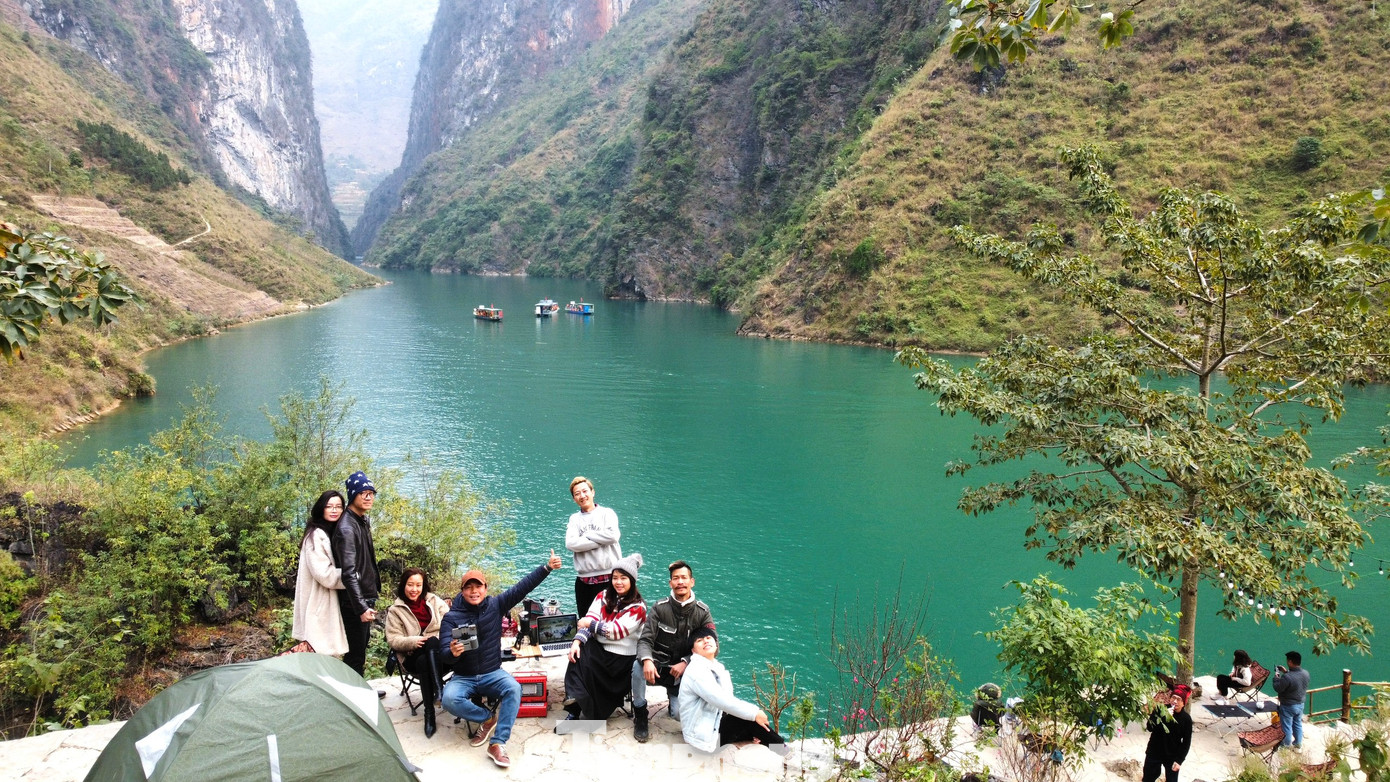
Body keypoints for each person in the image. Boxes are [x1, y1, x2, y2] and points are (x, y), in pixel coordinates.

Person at [439, 550, 564, 769]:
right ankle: (487, 718)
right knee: (449, 699)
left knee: (513, 688)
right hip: (464, 676)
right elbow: (444, 654)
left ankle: (498, 743)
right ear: (462, 591)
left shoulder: (496, 605)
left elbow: (522, 587)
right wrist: (452, 653)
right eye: (469, 587)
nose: (474, 591)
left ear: (485, 589)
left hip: (491, 672)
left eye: (478, 587)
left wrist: (547, 568)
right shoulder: (451, 617)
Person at [633, 559, 715, 742]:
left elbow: (712, 646)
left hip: (682, 675)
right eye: (676, 578)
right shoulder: (659, 608)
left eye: (684, 578)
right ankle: (640, 714)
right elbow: (645, 639)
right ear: (670, 583)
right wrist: (647, 660)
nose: (680, 582)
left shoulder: (702, 612)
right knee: (637, 667)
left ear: (692, 581)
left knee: (678, 715)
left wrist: (686, 661)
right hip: (657, 667)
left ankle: (674, 699)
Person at [565, 554, 648, 722]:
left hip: (622, 660)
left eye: (623, 578)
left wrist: (590, 624)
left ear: (632, 580)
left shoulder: (638, 607)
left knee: (596, 716)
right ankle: (573, 707)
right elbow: (589, 619)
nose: (618, 582)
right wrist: (576, 641)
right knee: (578, 652)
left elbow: (616, 632)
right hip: (601, 651)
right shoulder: (602, 596)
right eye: (615, 577)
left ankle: (588, 706)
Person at [679, 627, 786, 753]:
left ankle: (772, 745)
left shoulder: (717, 667)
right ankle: (783, 751)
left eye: (708, 638)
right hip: (700, 738)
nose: (706, 641)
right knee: (750, 719)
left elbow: (728, 699)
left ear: (716, 643)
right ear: (693, 651)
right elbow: (721, 700)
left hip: (712, 723)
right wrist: (755, 713)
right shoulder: (696, 670)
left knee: (751, 723)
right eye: (700, 640)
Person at [385, 567, 450, 738]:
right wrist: (414, 641)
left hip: (435, 652)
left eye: (418, 585)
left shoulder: (434, 601)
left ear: (424, 585)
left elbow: (450, 622)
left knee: (431, 648)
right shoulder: (396, 610)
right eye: (410, 585)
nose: (414, 589)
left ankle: (430, 714)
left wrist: (432, 637)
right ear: (403, 585)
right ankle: (438, 690)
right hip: (411, 656)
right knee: (422, 659)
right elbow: (393, 639)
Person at [331, 470, 381, 679]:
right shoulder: (347, 528)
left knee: (360, 652)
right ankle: (355, 700)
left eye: (371, 493)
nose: (368, 497)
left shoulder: (360, 520)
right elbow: (349, 573)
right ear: (353, 495)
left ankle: (360, 692)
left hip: (363, 597)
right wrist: (361, 607)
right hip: (354, 603)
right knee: (355, 655)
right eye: (363, 493)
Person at [290, 491, 348, 655]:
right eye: (329, 506)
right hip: (318, 603)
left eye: (338, 507)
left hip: (325, 602)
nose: (334, 510)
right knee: (321, 654)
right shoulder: (316, 536)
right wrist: (353, 577)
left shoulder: (331, 531)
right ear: (321, 509)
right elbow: (325, 575)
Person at [565, 476, 622, 615]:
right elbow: (571, 543)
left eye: (585, 491)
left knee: (612, 619)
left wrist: (586, 536)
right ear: (574, 499)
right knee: (586, 621)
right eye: (577, 494)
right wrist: (601, 539)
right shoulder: (574, 519)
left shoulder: (607, 513)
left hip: (610, 576)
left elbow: (613, 536)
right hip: (584, 580)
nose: (582, 496)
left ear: (593, 492)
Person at [1142, 684, 1193, 782]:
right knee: (1148, 778)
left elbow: (1186, 742)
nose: (1175, 701)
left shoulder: (1186, 719)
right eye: (1173, 697)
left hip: (1172, 755)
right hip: (1154, 751)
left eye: (1179, 699)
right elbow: (1149, 727)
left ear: (1184, 703)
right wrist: (1164, 716)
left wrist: (1179, 760)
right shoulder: (1159, 709)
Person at [1273, 650, 1310, 748]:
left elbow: (1278, 687)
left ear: (1290, 662)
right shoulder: (1306, 673)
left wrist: (1276, 677)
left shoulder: (1287, 677)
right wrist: (1286, 672)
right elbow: (1295, 681)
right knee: (1297, 724)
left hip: (1288, 706)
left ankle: (1285, 746)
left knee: (1286, 727)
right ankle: (1298, 745)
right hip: (1300, 704)